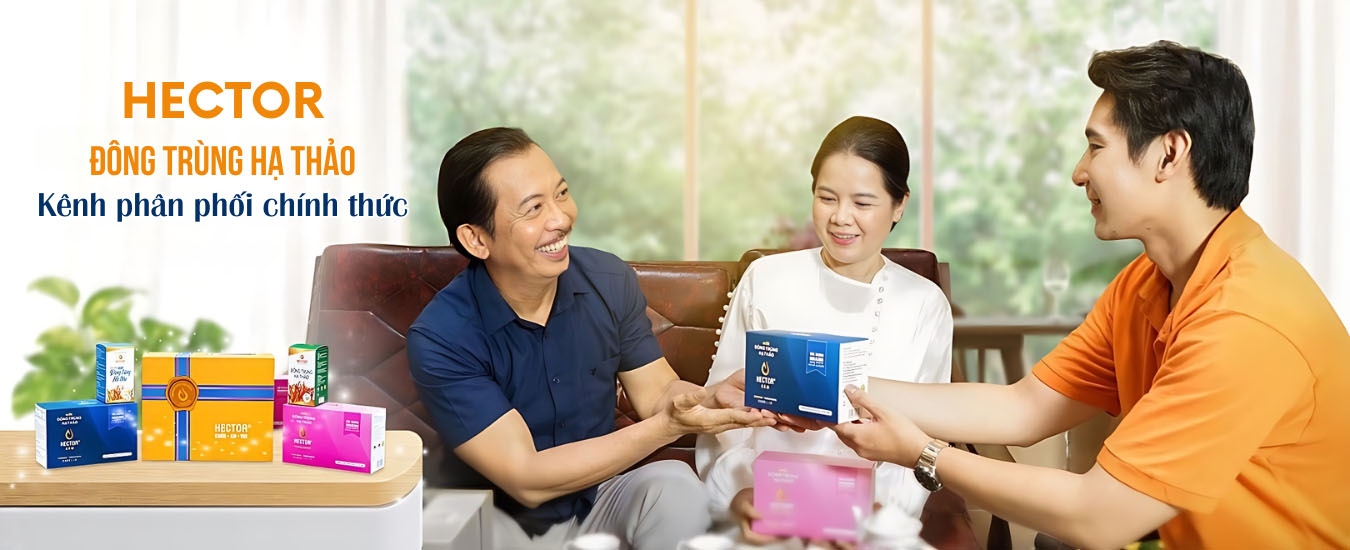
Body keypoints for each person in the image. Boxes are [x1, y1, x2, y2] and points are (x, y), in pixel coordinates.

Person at [824, 41, 1350, 549]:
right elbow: (1024, 409)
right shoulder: (1146, 283)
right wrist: (822, 385)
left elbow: (1099, 518)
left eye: (1096, 146)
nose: (1080, 172)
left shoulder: (1247, 320)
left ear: (1169, 154)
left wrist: (922, 454)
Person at [408, 127, 774, 550]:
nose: (561, 219)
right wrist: (666, 427)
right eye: (534, 208)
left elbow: (658, 395)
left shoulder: (607, 280)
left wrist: (708, 399)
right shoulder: (441, 336)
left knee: (674, 486)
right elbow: (526, 478)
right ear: (476, 239)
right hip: (496, 520)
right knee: (438, 528)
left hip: (594, 500)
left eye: (561, 194)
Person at [696, 116, 954, 545]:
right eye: (826, 198)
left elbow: (926, 435)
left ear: (899, 205)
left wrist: (881, 516)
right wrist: (738, 494)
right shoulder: (766, 279)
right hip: (764, 513)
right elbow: (723, 411)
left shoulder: (925, 304)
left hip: (868, 527)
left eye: (863, 203)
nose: (840, 218)